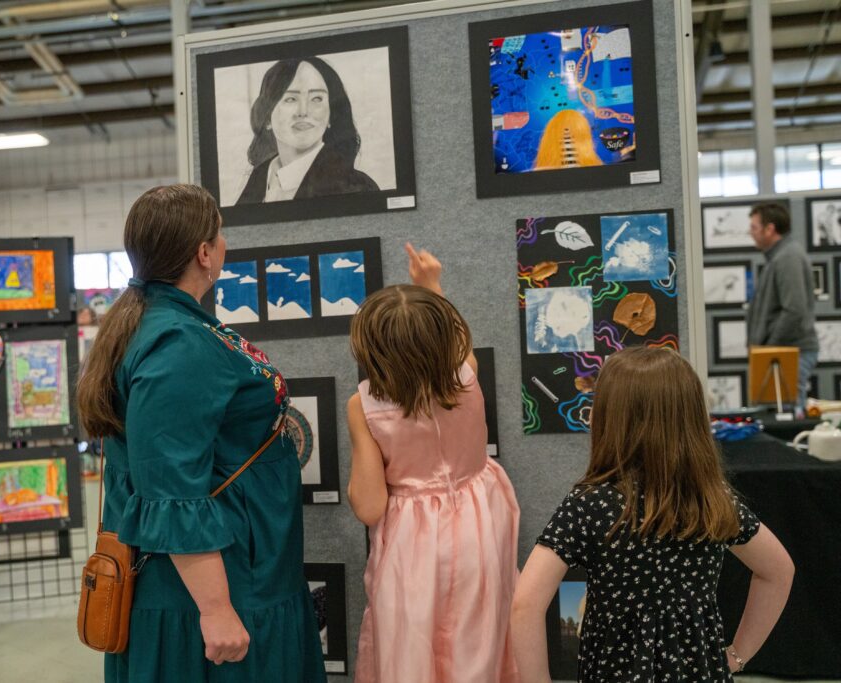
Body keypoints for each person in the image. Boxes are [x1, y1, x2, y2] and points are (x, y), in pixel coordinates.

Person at [76, 184, 325, 683]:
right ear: (205, 252)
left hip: (245, 572)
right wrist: (216, 611)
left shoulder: (167, 323)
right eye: (220, 235)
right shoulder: (177, 344)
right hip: (214, 593)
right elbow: (171, 487)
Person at [510, 347, 794, 682]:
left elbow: (525, 605)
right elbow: (778, 571)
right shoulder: (709, 498)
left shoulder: (591, 503)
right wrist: (736, 655)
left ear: (609, 419)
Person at [347, 244, 520, 682]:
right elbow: (456, 338)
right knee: (481, 631)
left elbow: (368, 506)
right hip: (481, 518)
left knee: (412, 635)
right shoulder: (464, 375)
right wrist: (432, 286)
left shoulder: (364, 405)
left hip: (413, 536)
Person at [235, 57, 379, 205]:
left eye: (316, 99)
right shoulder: (257, 184)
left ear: (331, 115)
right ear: (266, 118)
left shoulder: (359, 188)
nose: (303, 112)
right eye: (291, 99)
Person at [746, 203, 818, 413]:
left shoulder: (787, 257)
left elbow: (794, 310)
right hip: (783, 352)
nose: (751, 233)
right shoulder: (780, 256)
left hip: (788, 353)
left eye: (754, 227)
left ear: (770, 229)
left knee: (785, 420)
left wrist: (770, 349)